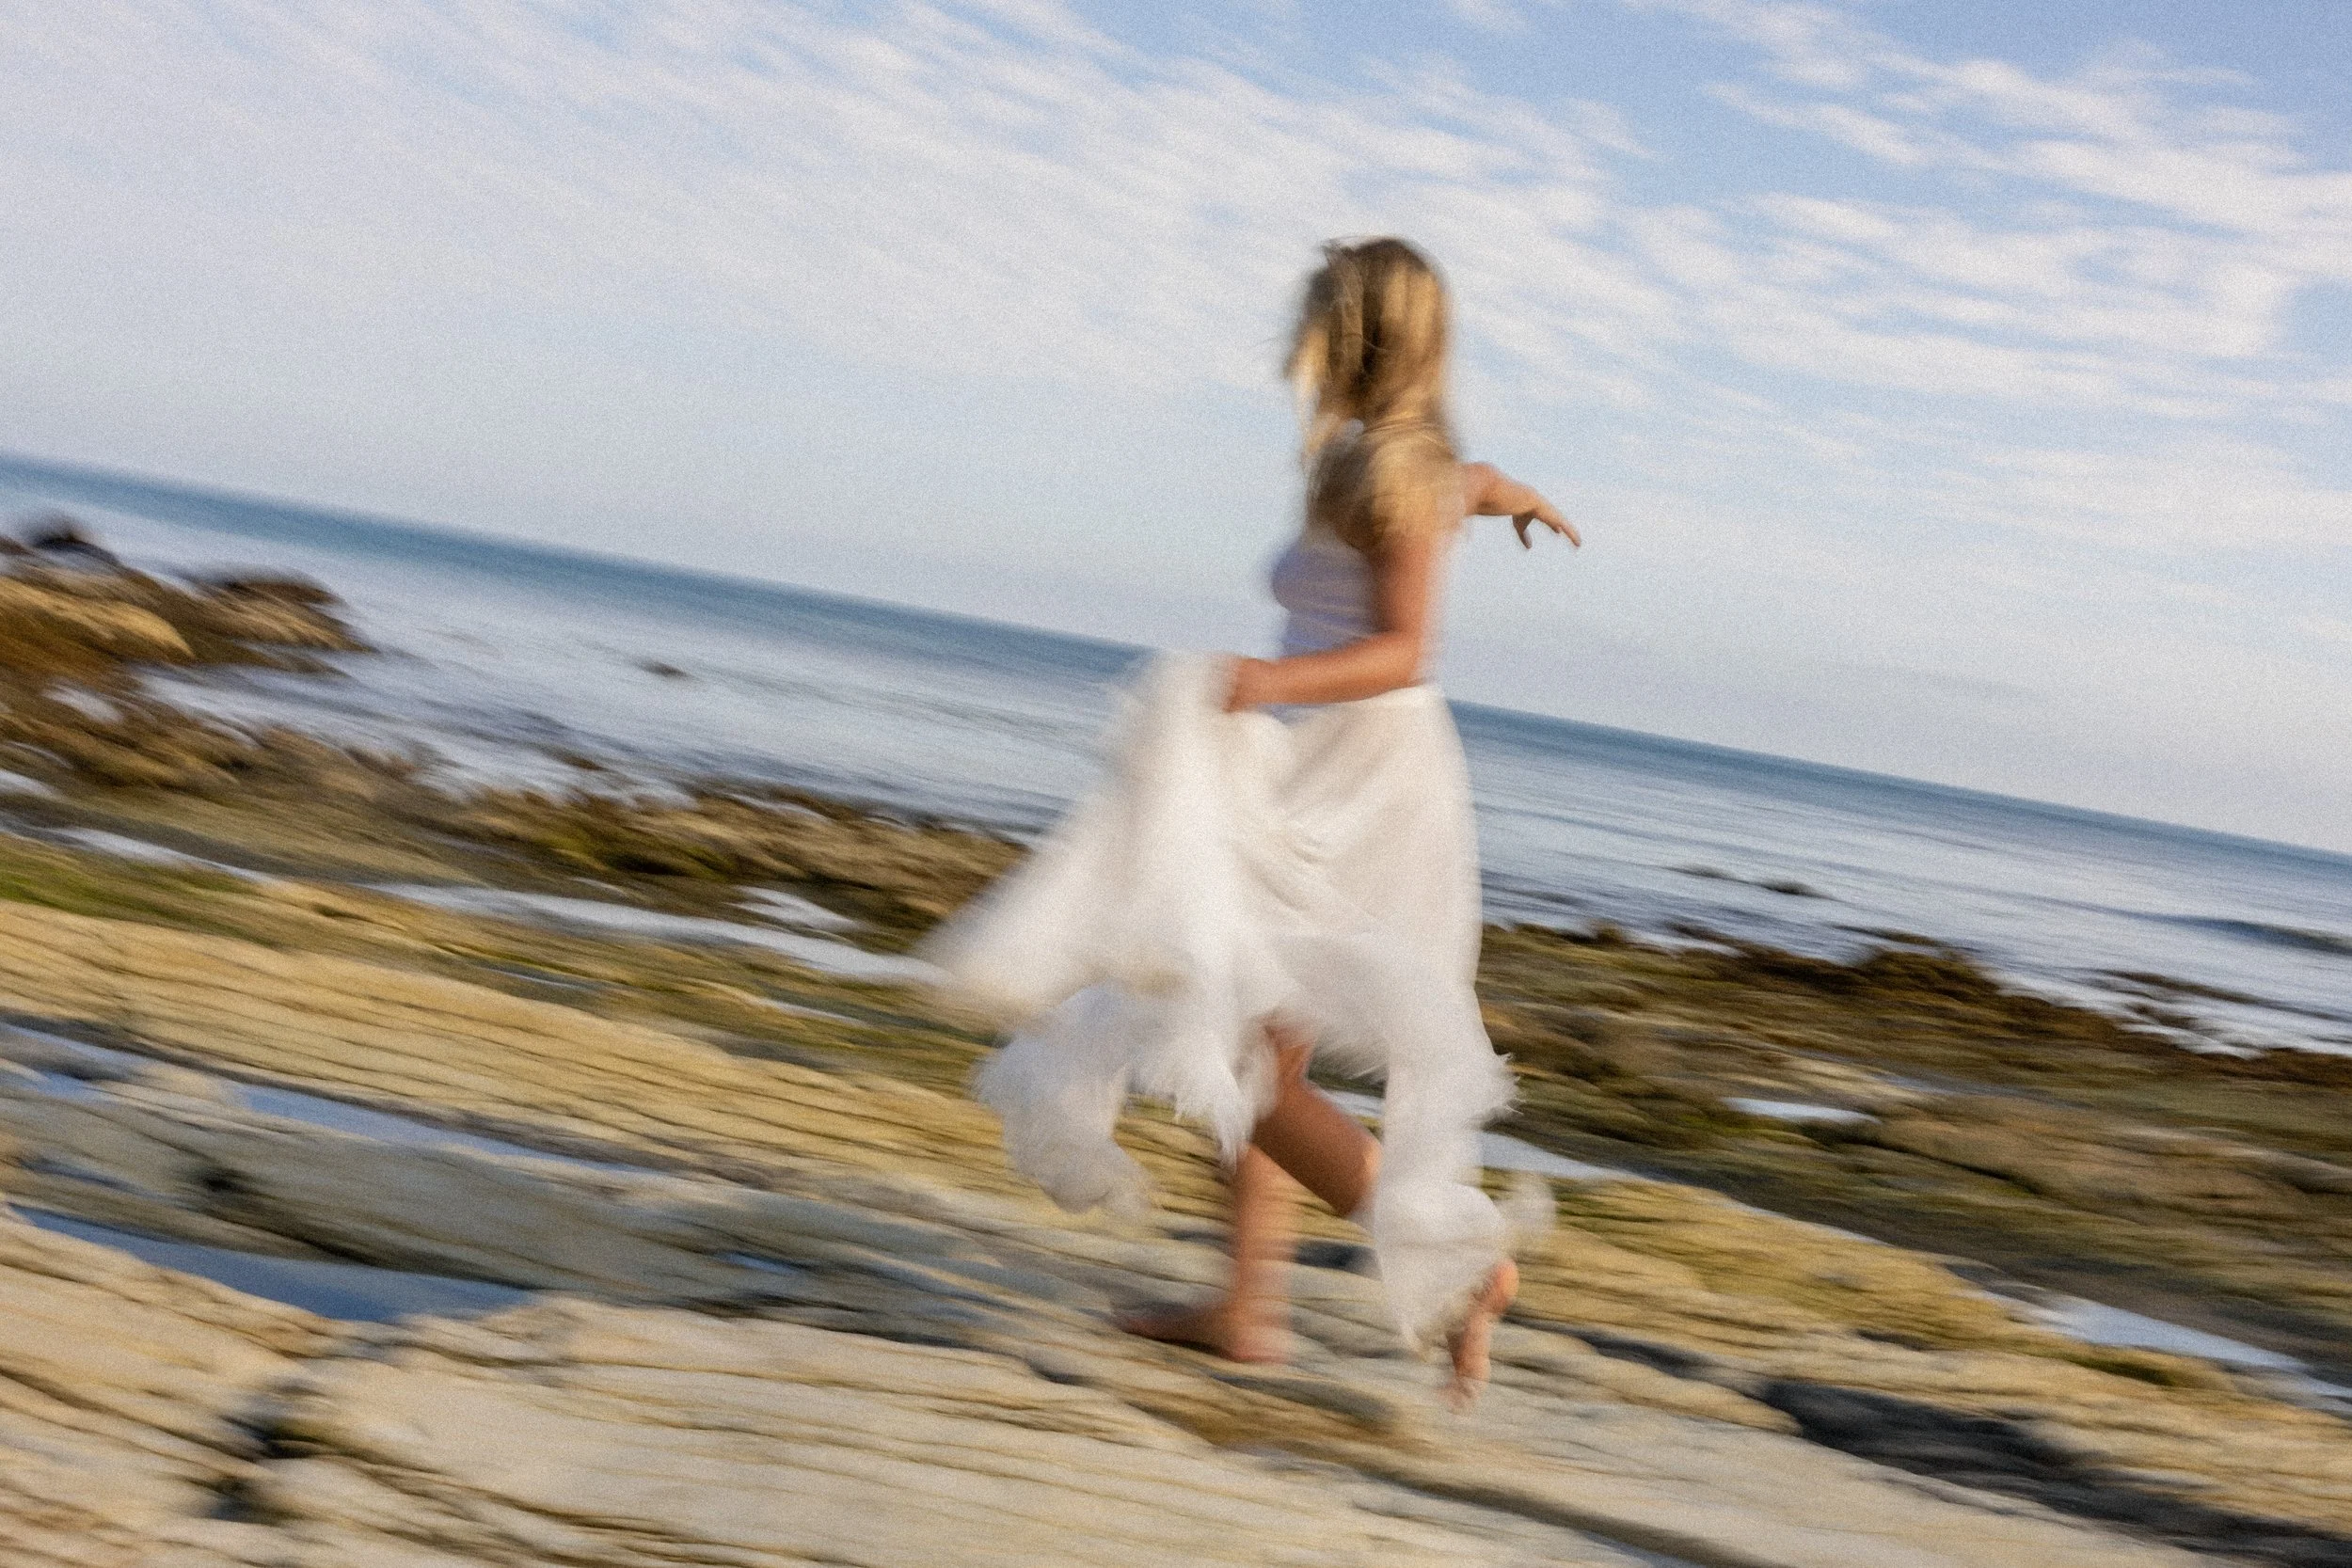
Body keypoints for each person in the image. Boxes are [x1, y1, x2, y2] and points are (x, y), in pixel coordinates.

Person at [930, 235, 1576, 1407]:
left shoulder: (1389, 463)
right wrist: (1513, 490)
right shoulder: (1381, 454)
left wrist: (1262, 685)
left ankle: (1455, 1261)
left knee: (1244, 1055)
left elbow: (1404, 648)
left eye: (1319, 315)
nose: (1300, 336)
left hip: (1362, 773)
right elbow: (1460, 488)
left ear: (1358, 333)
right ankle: (1248, 1309)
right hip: (1313, 759)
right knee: (1244, 1027)